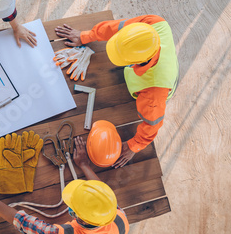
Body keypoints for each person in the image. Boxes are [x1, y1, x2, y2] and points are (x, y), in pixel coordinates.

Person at [54, 15, 179, 168]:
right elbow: (116, 27)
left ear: (136, 62)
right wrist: (86, 36)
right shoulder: (154, 23)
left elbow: (152, 125)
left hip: (158, 85)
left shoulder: (153, 94)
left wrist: (134, 146)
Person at [0, 136, 129, 234]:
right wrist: (84, 164)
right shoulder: (119, 219)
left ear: (79, 217)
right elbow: (101, 196)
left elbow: (24, 223)